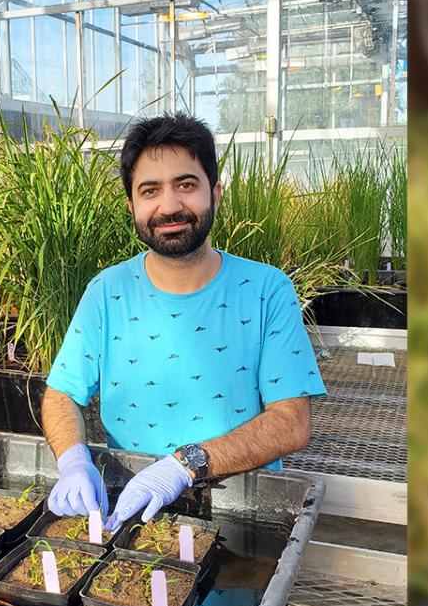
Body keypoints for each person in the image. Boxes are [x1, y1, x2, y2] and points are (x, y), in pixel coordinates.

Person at [42, 112, 327, 533]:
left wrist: (184, 466)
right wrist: (72, 460)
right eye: (150, 190)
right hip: (131, 511)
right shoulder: (108, 291)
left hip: (239, 516)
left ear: (215, 192)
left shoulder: (266, 289)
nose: (170, 206)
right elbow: (62, 394)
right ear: (131, 204)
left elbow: (291, 421)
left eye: (186, 185)